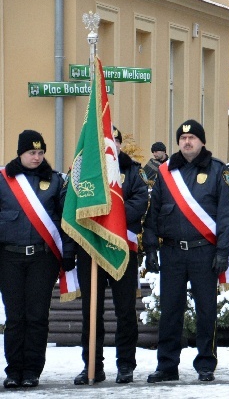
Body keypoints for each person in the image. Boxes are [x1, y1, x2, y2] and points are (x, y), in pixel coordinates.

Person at [143, 119, 229, 383]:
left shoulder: (219, 171)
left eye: (192, 138)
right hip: (172, 252)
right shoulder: (165, 172)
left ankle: (206, 363)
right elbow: (153, 213)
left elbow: (227, 216)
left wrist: (222, 251)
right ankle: (167, 365)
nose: (187, 142)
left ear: (202, 141)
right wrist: (150, 249)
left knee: (206, 310)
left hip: (204, 252)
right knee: (170, 311)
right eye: (182, 139)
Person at [73, 127, 149, 385]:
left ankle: (125, 365)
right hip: (91, 249)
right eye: (105, 141)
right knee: (90, 311)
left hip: (122, 249)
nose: (111, 145)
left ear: (119, 144)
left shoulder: (132, 172)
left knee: (125, 310)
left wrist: (111, 218)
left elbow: (140, 201)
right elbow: (72, 203)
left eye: (114, 141)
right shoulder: (83, 172)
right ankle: (92, 365)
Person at [0, 130, 75, 388]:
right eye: (32, 152)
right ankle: (13, 371)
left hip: (42, 259)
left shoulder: (55, 181)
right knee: (15, 317)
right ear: (20, 153)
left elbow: (66, 221)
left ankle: (32, 371)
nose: (37, 157)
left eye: (40, 152)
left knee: (37, 316)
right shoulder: (3, 180)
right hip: (8, 258)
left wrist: (67, 255)